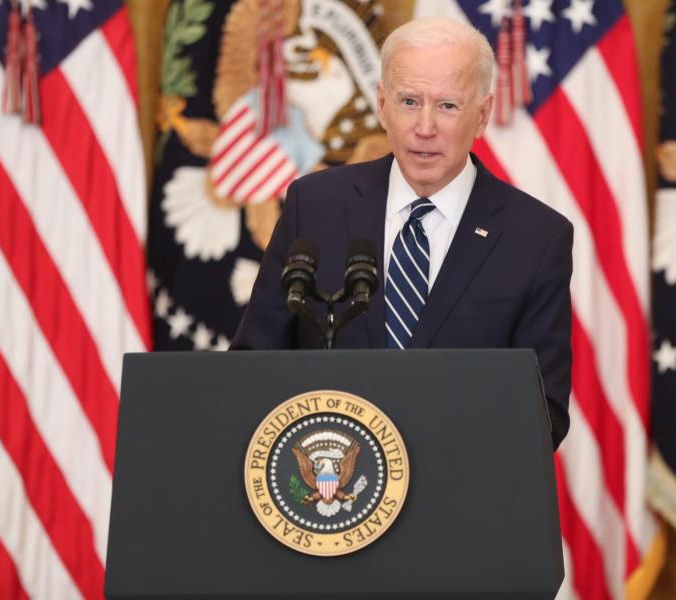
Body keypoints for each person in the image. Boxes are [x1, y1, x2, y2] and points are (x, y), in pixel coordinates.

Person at [231, 17, 573, 448]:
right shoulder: (314, 205)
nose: (424, 127)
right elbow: (252, 369)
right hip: (326, 490)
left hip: (459, 501)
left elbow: (543, 414)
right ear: (381, 104)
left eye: (447, 105)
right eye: (409, 101)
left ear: (482, 115)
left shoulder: (536, 238)